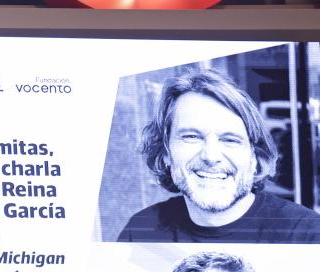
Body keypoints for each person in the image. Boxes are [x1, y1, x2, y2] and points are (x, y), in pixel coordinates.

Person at [117, 69, 320, 243]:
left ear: (255, 157)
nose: (211, 156)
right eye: (191, 136)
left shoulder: (307, 235)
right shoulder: (141, 231)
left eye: (230, 140)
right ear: (165, 153)